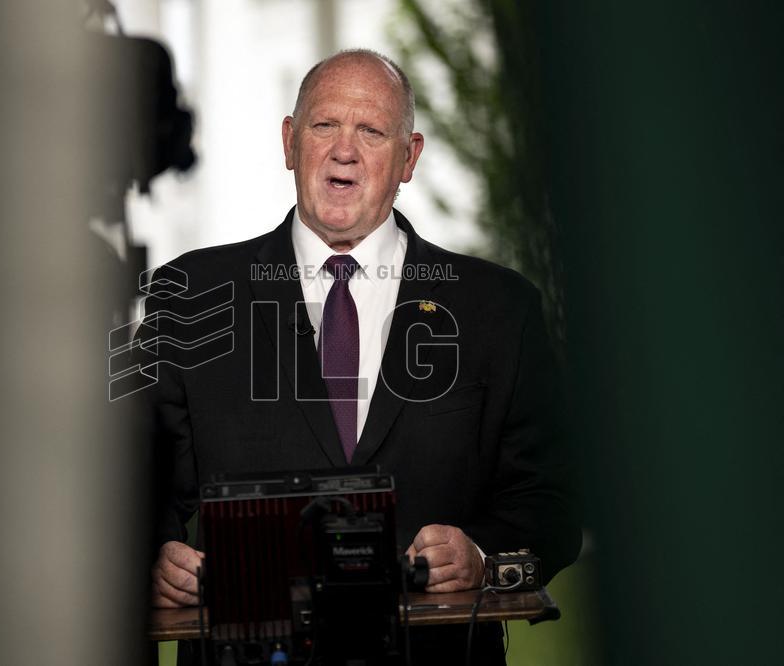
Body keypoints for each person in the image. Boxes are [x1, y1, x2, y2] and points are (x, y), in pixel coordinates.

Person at [141, 49, 580, 664]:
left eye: (371, 130)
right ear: (290, 141)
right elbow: (127, 485)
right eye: (324, 126)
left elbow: (552, 500)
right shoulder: (190, 297)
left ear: (409, 157)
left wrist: (481, 556)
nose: (343, 150)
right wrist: (155, 556)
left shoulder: (501, 310)